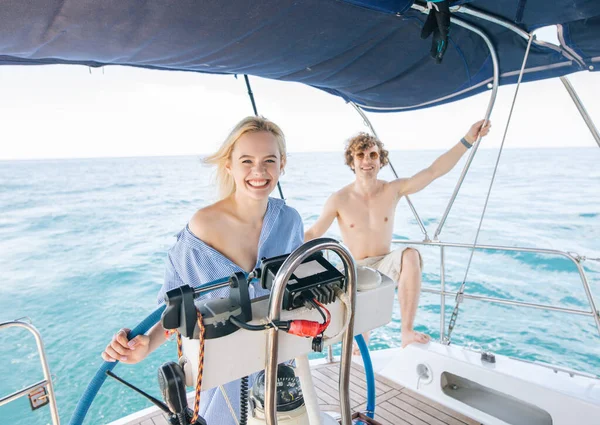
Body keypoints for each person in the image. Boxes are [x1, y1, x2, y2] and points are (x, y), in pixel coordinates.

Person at [102, 116, 303, 425]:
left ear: (282, 164)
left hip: (278, 367)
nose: (258, 171)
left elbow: (297, 286)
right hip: (223, 375)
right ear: (229, 166)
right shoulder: (203, 227)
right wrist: (146, 344)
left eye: (269, 160)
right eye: (246, 161)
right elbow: (174, 304)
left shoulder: (290, 220)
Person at [304, 120, 491, 350]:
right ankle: (358, 348)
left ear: (381, 160)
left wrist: (468, 139)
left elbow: (433, 171)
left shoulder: (392, 190)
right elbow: (313, 233)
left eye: (373, 155)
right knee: (357, 346)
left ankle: (407, 332)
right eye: (360, 155)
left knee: (410, 254)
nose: (367, 160)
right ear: (351, 161)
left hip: (386, 264)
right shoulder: (339, 199)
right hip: (356, 270)